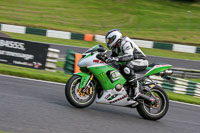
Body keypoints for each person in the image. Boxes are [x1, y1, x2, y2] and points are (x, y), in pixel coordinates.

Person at [105, 29, 149, 99]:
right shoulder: (116, 47)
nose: (108, 41)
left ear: (115, 38)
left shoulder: (125, 43)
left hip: (140, 61)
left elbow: (130, 56)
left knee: (126, 67)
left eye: (110, 40)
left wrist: (117, 59)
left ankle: (136, 91)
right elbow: (111, 58)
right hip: (131, 62)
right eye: (108, 40)